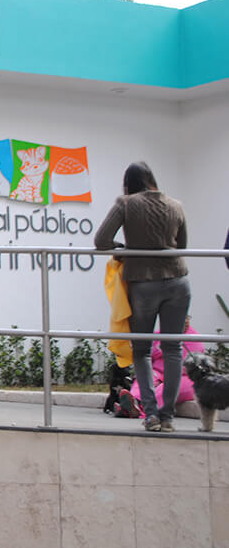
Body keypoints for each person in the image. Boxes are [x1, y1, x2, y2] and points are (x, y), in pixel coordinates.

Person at [95, 161, 190, 432]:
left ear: (128, 184)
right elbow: (181, 248)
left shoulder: (125, 203)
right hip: (178, 282)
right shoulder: (176, 205)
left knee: (142, 351)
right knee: (173, 350)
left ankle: (151, 415)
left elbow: (101, 240)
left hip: (143, 284)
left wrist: (125, 249)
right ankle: (168, 417)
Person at [118, 316, 204, 418]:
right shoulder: (159, 335)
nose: (183, 322)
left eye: (186, 319)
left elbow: (188, 367)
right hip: (159, 371)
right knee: (147, 376)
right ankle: (133, 400)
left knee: (169, 385)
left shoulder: (194, 339)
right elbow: (149, 355)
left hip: (186, 377)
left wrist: (163, 377)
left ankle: (141, 409)